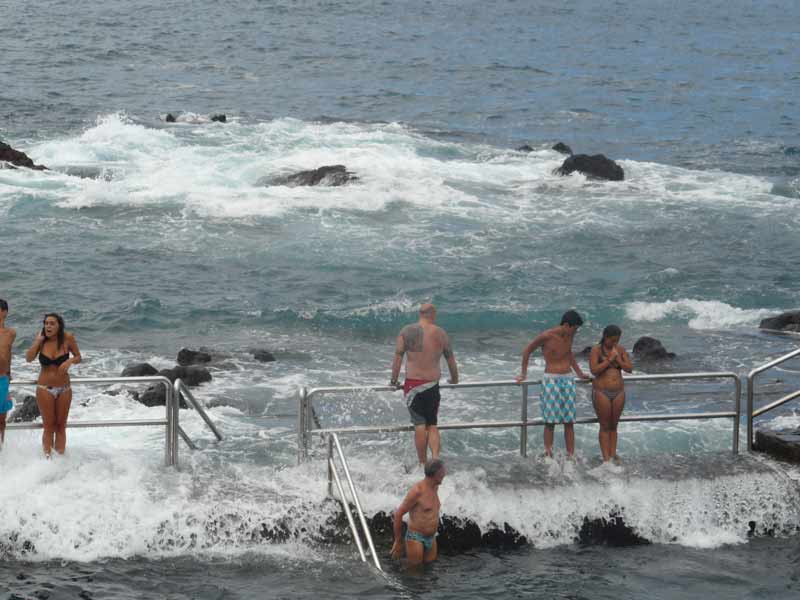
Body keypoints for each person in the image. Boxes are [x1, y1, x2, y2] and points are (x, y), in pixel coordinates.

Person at [390, 303, 459, 467]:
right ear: (432, 314)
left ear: (420, 314)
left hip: (413, 385)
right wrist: (455, 379)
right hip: (431, 384)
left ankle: (422, 464)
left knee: (419, 424)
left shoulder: (406, 331)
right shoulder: (440, 333)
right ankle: (435, 458)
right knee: (432, 424)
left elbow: (398, 358)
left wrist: (394, 380)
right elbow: (450, 359)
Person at [515, 310, 588, 458]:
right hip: (551, 380)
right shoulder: (547, 336)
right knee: (550, 421)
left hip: (568, 379)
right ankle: (548, 453)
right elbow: (527, 351)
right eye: (574, 328)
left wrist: (579, 373)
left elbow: (569, 354)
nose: (576, 332)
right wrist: (523, 374)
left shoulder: (569, 336)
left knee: (569, 421)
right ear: (566, 325)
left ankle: (570, 455)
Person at [25, 313, 81, 457]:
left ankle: (60, 462)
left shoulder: (68, 338)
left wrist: (69, 361)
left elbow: (78, 357)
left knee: (61, 427)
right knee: (49, 427)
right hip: (45, 389)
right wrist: (37, 341)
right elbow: (29, 358)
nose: (48, 326)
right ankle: (48, 461)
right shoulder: (42, 341)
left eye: (52, 323)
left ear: (59, 326)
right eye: (46, 323)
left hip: (64, 389)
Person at [589, 325, 633, 463]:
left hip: (618, 392)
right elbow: (594, 370)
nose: (615, 343)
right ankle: (606, 458)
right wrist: (609, 360)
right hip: (602, 391)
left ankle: (613, 454)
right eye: (612, 340)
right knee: (605, 425)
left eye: (617, 340)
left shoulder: (620, 350)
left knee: (614, 425)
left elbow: (629, 368)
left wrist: (618, 359)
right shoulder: (596, 349)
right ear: (605, 337)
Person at [391, 458, 446, 566]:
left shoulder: (435, 487)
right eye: (442, 473)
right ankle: (395, 564)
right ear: (435, 474)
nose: (444, 474)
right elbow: (398, 514)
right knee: (414, 569)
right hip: (416, 537)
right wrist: (398, 541)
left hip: (431, 537)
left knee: (429, 568)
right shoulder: (417, 491)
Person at [0, 298, 17, 446]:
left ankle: (2, 449)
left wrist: (9, 373)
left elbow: (8, 353)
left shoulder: (11, 333)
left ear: (4, 312)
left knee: (2, 420)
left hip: (2, 379)